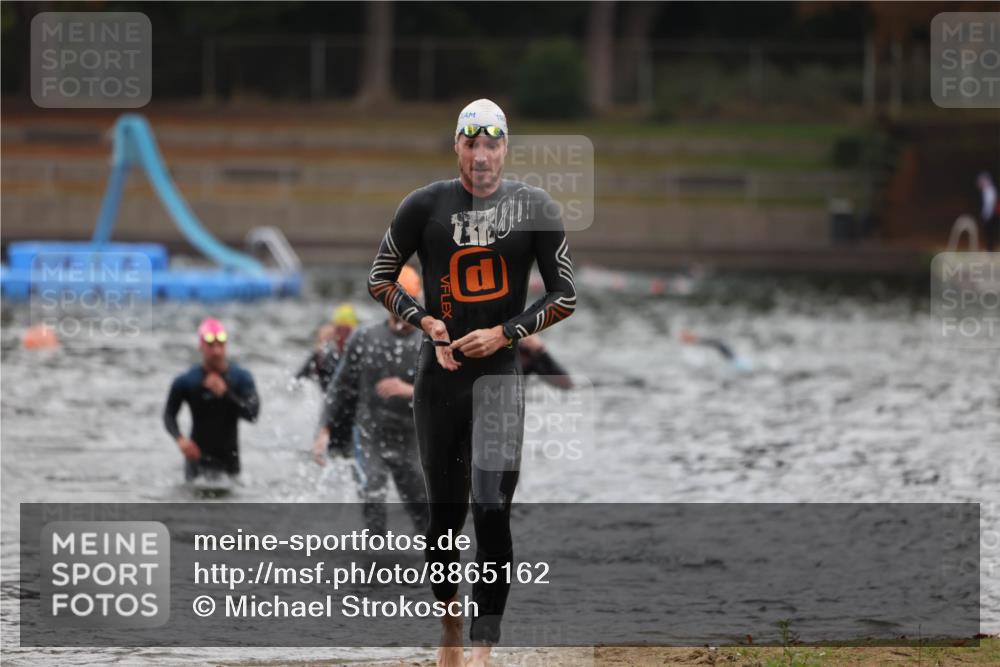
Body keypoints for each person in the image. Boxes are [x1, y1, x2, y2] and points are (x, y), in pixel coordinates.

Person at [367, 98, 576, 667]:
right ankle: (450, 622)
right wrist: (425, 321)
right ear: (456, 145)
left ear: (505, 148)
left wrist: (506, 332)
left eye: (491, 144)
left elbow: (565, 295)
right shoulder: (424, 205)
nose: (481, 156)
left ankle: (483, 647)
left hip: (500, 377)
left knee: (491, 508)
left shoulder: (534, 207)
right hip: (439, 378)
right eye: (471, 143)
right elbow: (381, 278)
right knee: (444, 518)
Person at [312, 266, 428, 537]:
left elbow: (448, 393)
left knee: (423, 510)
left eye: (409, 303)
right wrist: (323, 430)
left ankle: (434, 558)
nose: (403, 312)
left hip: (412, 438)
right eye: (397, 304)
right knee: (373, 493)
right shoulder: (365, 338)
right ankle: (376, 555)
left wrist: (411, 390)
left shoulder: (430, 341)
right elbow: (339, 387)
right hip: (370, 436)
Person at [163, 318, 260, 481]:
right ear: (200, 346)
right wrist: (180, 439)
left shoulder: (241, 378)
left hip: (230, 465)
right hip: (196, 466)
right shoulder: (187, 381)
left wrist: (226, 394)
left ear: (226, 345)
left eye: (220, 344)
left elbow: (252, 415)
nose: (216, 351)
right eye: (210, 345)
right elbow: (169, 415)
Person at [295, 303, 358, 393]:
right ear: (333, 332)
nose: (342, 336)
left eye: (346, 332)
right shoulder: (324, 355)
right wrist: (319, 345)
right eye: (339, 330)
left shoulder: (357, 356)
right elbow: (298, 381)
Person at [977, 172, 998, 252]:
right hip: (989, 215)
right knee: (988, 233)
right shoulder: (985, 191)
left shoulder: (990, 190)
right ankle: (989, 248)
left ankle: (990, 249)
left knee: (990, 233)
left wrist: (986, 215)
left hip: (991, 216)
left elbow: (990, 204)